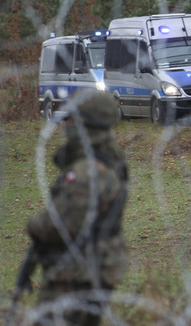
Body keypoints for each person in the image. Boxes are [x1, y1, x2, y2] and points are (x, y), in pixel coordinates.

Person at [24, 90, 128, 326]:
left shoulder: (88, 171)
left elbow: (67, 224)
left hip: (79, 272)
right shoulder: (106, 158)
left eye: (71, 119)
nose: (65, 125)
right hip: (87, 267)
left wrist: (34, 225)